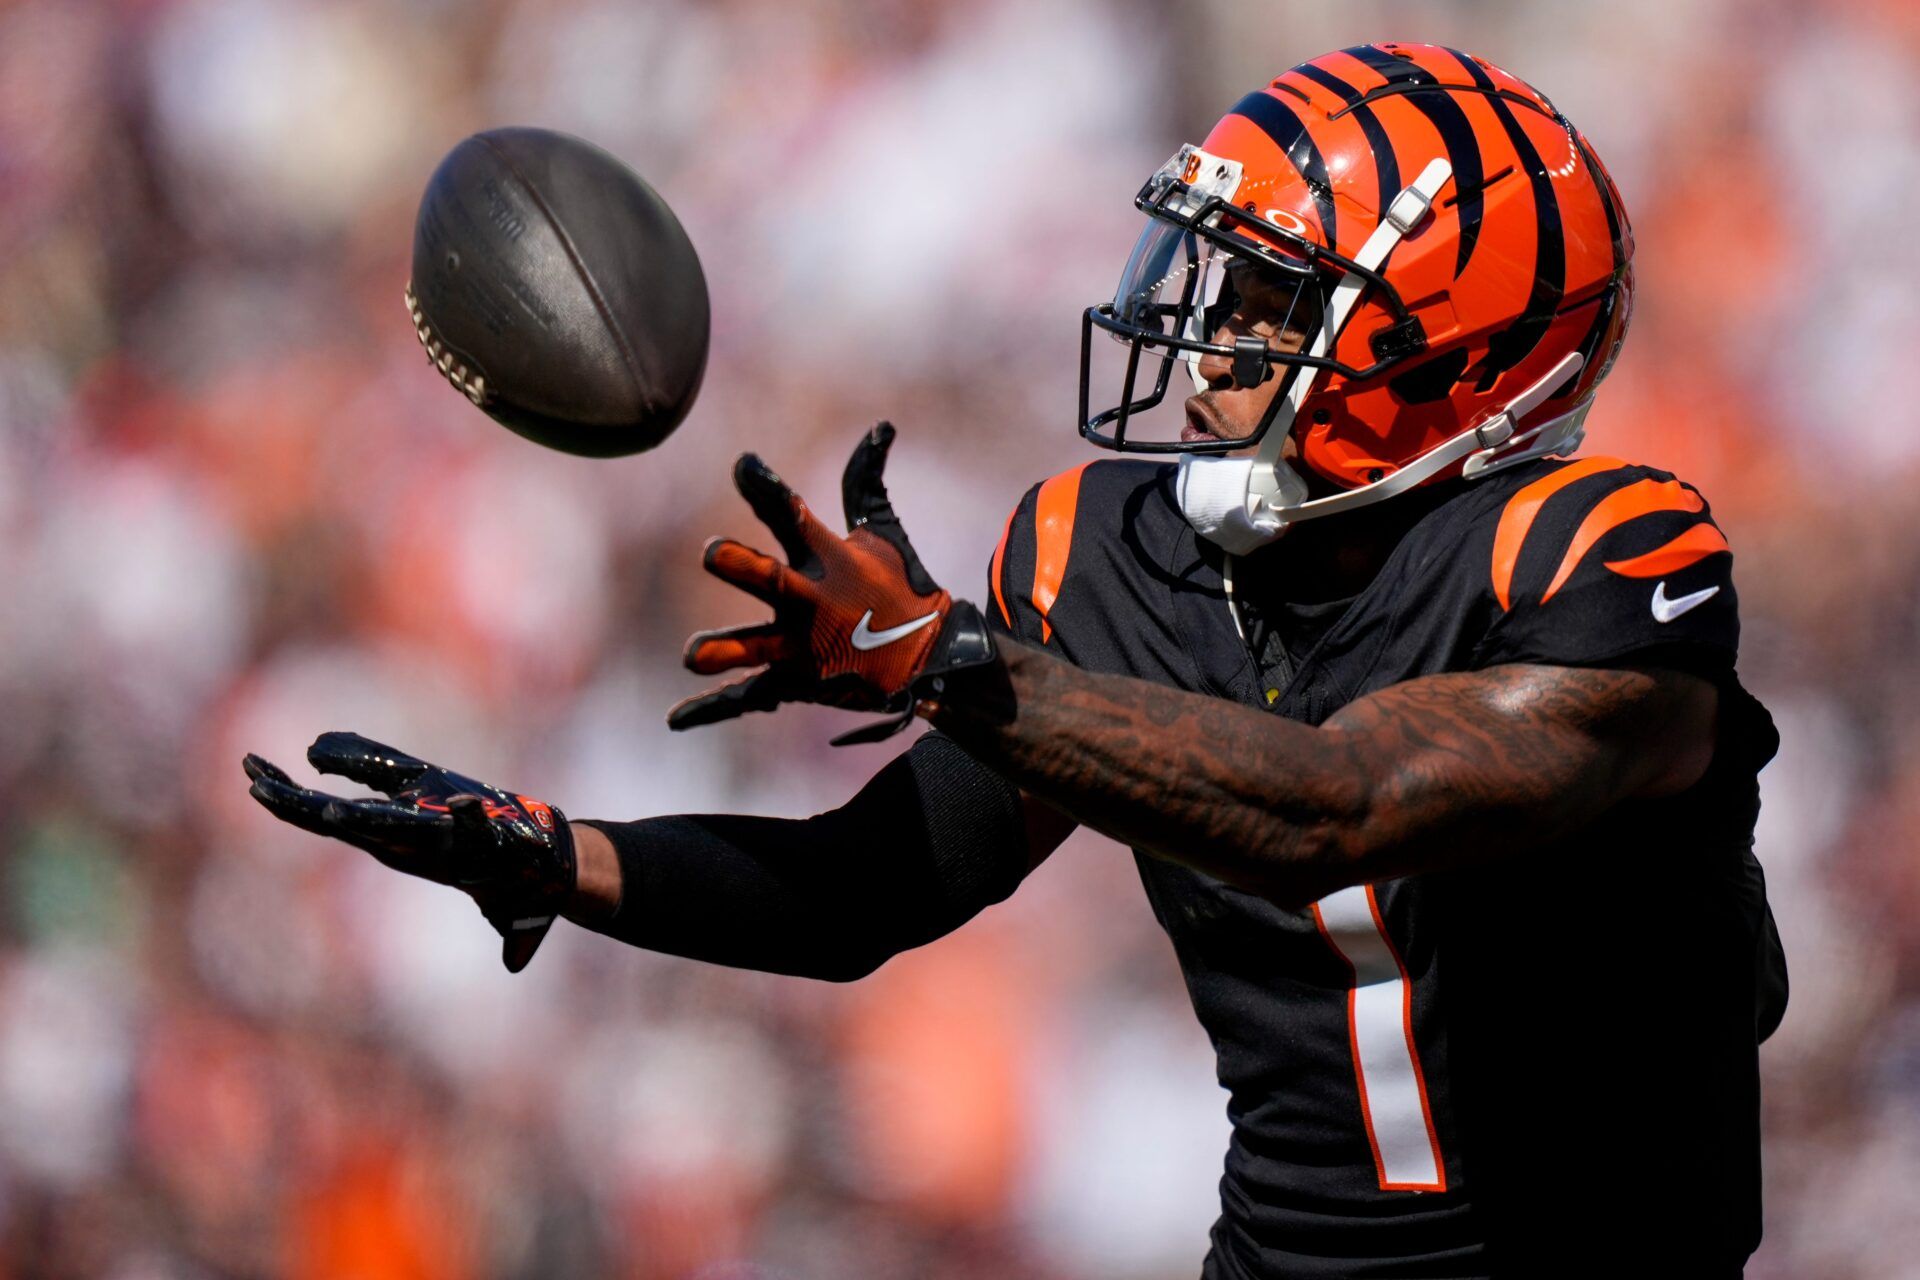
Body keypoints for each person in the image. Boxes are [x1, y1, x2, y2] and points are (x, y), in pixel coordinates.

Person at [246, 44, 1786, 1278]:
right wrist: (554, 859)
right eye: (1209, 280)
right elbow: (871, 893)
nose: (1198, 339)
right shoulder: (1106, 555)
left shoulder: (1603, 554)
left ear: (1444, 356)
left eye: (1267, 303)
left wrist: (953, 666)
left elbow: (1341, 805)